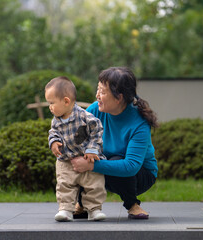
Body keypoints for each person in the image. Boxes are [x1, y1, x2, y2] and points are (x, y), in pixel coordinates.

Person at [71, 67, 158, 219]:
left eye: (103, 92)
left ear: (119, 97)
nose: (97, 95)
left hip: (140, 175)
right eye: (98, 89)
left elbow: (131, 166)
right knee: (81, 156)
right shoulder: (95, 110)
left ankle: (132, 205)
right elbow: (77, 140)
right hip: (106, 165)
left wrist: (91, 165)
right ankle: (82, 203)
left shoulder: (139, 123)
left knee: (115, 160)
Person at [45, 76, 107, 222]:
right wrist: (54, 142)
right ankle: (65, 210)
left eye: (52, 103)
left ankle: (94, 209)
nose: (50, 107)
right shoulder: (56, 120)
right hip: (66, 160)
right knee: (64, 184)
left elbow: (97, 130)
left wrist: (92, 149)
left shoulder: (85, 116)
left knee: (94, 184)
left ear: (66, 101)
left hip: (87, 158)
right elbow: (53, 132)